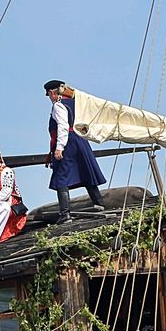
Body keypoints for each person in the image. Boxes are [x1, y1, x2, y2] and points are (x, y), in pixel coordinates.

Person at [44, 80, 106, 224]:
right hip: (80, 140)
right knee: (85, 170)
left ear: (52, 92)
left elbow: (63, 126)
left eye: (49, 95)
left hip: (68, 142)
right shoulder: (75, 103)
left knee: (61, 177)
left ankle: (65, 214)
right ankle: (99, 204)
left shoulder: (58, 106)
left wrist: (59, 147)